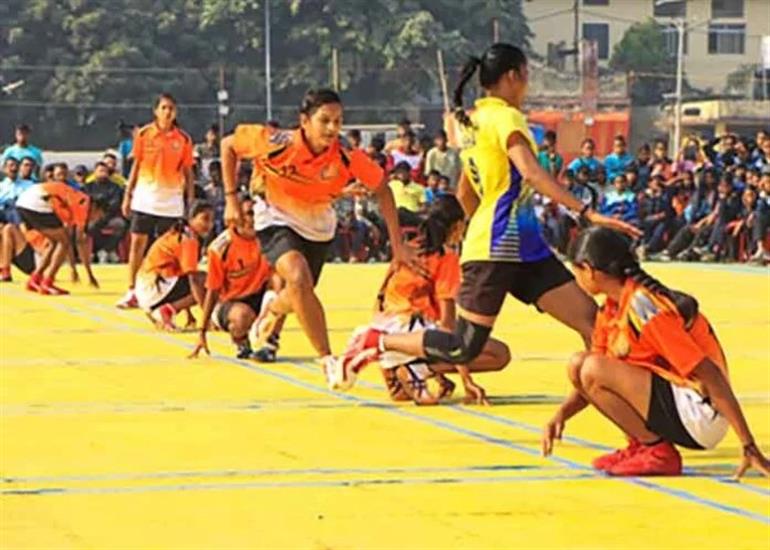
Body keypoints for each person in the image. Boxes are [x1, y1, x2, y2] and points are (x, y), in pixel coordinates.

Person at [332, 43, 639, 386]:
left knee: (592, 323)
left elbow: (466, 187)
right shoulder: (506, 117)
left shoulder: (473, 122)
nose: (527, 85)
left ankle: (616, 404)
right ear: (513, 76)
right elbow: (533, 174)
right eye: (526, 76)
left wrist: (456, 234)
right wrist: (587, 213)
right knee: (463, 345)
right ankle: (376, 341)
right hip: (496, 246)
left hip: (525, 247)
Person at [542, 227, 770, 478]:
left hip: (700, 415)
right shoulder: (611, 307)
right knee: (580, 364)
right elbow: (590, 381)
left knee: (591, 366)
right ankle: (641, 445)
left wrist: (748, 444)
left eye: (577, 271)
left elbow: (708, 373)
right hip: (678, 403)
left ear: (589, 269)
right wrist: (561, 415)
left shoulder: (644, 307)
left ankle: (657, 451)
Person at [220, 88, 414, 376]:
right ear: (304, 121)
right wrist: (231, 199)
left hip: (319, 225)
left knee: (299, 292)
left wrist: (398, 247)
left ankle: (273, 309)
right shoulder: (277, 141)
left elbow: (383, 190)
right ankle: (329, 360)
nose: (333, 128)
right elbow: (228, 145)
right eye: (325, 120)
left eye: (338, 121)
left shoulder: (346, 156)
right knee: (298, 276)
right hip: (275, 217)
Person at [341, 195, 510, 402]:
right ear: (456, 226)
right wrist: (467, 380)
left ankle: (397, 369)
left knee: (402, 396)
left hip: (386, 325)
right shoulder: (446, 258)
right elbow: (448, 327)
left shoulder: (408, 249)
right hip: (409, 333)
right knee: (499, 354)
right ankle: (419, 367)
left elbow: (382, 295)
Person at [117, 93, 195, 309]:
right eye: (164, 108)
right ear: (156, 111)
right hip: (145, 199)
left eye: (171, 108)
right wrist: (128, 194)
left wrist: (190, 201)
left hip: (171, 203)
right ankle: (132, 290)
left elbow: (188, 172)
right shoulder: (144, 134)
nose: (168, 112)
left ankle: (162, 291)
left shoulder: (184, 139)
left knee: (168, 250)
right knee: (137, 245)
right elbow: (136, 166)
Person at [189, 197, 273, 359]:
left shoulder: (267, 237)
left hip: (259, 295)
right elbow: (213, 290)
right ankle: (241, 340)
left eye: (257, 213)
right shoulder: (220, 248)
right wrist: (203, 330)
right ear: (235, 216)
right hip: (230, 302)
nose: (254, 219)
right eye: (249, 214)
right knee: (242, 317)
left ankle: (269, 343)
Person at [134, 200, 213, 330]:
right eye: (205, 219)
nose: (208, 225)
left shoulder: (180, 232)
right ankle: (167, 310)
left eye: (211, 220)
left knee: (200, 278)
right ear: (191, 218)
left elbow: (182, 273)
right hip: (155, 287)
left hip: (147, 289)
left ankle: (162, 310)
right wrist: (206, 318)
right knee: (208, 281)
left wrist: (189, 315)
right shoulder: (189, 240)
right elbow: (193, 280)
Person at [14, 181, 103, 294]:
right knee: (63, 241)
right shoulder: (83, 205)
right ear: (95, 207)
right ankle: (47, 282)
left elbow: (69, 239)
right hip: (37, 201)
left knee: (55, 241)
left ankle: (35, 278)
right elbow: (79, 242)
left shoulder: (74, 200)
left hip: (25, 201)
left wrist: (73, 269)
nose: (96, 219)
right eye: (99, 215)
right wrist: (89, 274)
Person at [86, 161, 126, 263]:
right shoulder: (87, 187)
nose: (102, 173)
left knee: (122, 225)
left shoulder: (115, 187)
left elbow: (115, 204)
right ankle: (101, 251)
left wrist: (103, 214)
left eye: (105, 171)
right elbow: (85, 203)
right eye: (100, 171)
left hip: (109, 217)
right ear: (94, 172)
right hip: (92, 217)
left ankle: (106, 250)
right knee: (89, 227)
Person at [389, 161, 426, 227]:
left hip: (412, 214)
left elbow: (424, 206)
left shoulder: (419, 188)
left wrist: (418, 211)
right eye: (399, 172)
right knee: (400, 210)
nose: (402, 174)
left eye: (404, 172)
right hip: (395, 214)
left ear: (409, 172)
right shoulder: (391, 185)